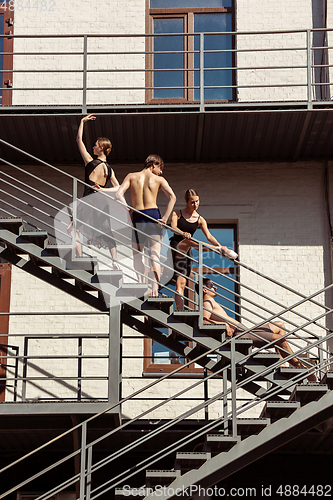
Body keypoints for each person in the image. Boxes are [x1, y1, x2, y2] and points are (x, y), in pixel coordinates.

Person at [197, 278, 317, 382]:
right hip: (241, 334)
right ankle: (304, 369)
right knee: (280, 339)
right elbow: (204, 320)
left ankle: (281, 362)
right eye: (212, 285)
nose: (215, 287)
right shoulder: (207, 302)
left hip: (245, 331)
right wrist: (224, 324)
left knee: (279, 325)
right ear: (205, 289)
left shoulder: (211, 301)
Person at [116, 154, 176, 297]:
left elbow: (118, 194)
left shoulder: (131, 176)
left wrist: (129, 210)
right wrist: (165, 217)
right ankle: (155, 289)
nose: (161, 172)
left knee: (137, 255)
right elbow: (173, 197)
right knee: (154, 254)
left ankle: (141, 284)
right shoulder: (158, 179)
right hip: (153, 215)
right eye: (160, 168)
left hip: (138, 216)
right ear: (154, 164)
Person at [170, 189, 238, 311]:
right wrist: (183, 233)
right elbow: (173, 227)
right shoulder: (177, 213)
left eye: (197, 201)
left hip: (188, 252)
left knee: (181, 284)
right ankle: (219, 249)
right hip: (177, 246)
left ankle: (180, 311)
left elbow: (209, 236)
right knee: (188, 241)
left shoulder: (200, 219)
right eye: (192, 202)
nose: (195, 205)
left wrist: (220, 245)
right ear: (186, 201)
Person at [68, 114, 120, 270]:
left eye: (96, 145)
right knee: (107, 231)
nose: (93, 147)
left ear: (101, 148)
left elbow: (79, 141)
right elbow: (119, 188)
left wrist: (82, 122)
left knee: (72, 229)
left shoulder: (90, 161)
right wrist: (104, 190)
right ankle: (115, 261)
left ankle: (79, 257)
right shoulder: (109, 169)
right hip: (102, 201)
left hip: (89, 199)